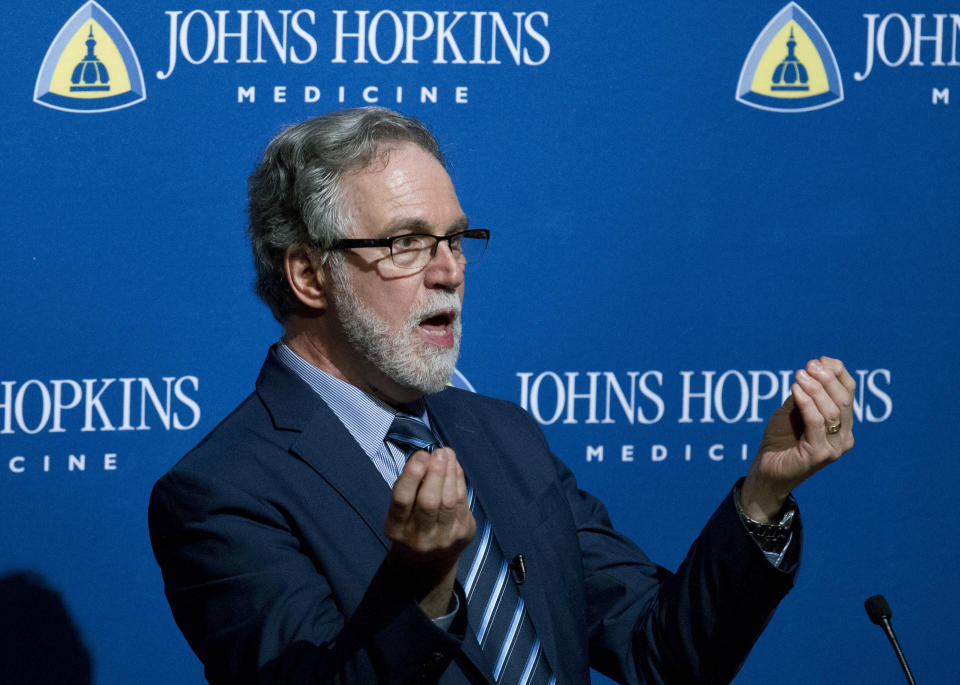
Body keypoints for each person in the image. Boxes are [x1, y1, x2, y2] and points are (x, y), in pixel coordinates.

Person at [148, 106, 856, 685]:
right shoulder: (220, 493)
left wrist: (762, 501)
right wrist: (422, 587)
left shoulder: (501, 432)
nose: (449, 271)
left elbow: (660, 651)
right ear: (308, 274)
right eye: (406, 243)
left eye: (456, 239)